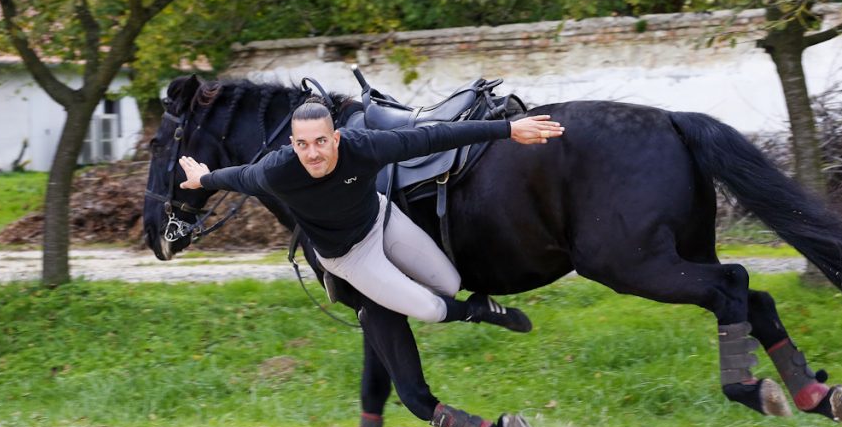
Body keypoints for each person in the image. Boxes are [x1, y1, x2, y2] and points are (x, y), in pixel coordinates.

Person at [177, 100, 565, 331]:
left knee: (449, 283)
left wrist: (508, 129)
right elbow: (239, 177)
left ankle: (420, 295)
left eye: (320, 142)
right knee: (432, 310)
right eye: (302, 144)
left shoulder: (362, 148)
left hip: (382, 219)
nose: (313, 153)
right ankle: (477, 311)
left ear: (336, 139)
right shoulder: (277, 170)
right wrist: (202, 178)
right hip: (349, 256)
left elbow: (434, 136)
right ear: (292, 144)